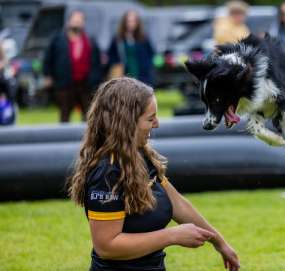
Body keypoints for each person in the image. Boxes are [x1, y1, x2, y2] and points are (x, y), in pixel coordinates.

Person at [67, 77, 240, 271]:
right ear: (127, 122)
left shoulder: (139, 154)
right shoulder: (107, 171)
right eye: (150, 118)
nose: (156, 124)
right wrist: (172, 236)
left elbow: (177, 203)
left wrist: (219, 242)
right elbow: (106, 247)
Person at [43, 10, 102, 123]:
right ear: (69, 22)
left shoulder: (90, 41)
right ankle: (63, 139)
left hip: (86, 84)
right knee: (64, 114)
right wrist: (47, 75)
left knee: (89, 115)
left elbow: (97, 62)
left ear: (83, 23)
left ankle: (88, 139)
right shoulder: (58, 39)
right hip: (65, 83)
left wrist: (96, 79)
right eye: (75, 20)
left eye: (80, 20)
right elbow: (48, 58)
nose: (77, 23)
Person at [108, 10, 154, 85]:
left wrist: (146, 67)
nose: (131, 24)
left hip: (142, 75)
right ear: (124, 22)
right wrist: (117, 66)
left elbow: (150, 54)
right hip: (124, 75)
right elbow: (111, 55)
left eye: (133, 21)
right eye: (129, 21)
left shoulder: (143, 38)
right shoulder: (118, 39)